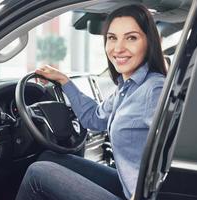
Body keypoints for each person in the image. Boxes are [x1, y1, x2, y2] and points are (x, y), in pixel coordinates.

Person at [15, 4, 166, 200]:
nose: (118, 48)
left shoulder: (154, 90)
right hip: (131, 187)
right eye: (112, 38)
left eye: (131, 38)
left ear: (149, 42)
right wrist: (64, 81)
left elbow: (174, 157)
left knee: (38, 174)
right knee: (50, 158)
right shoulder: (128, 87)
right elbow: (93, 119)